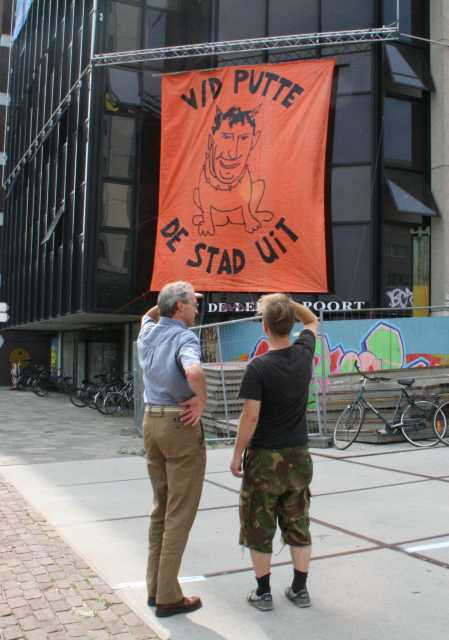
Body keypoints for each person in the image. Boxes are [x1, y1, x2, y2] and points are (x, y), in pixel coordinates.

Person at [230, 294, 318, 611]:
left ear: (264, 327)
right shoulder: (304, 354)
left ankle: (263, 593)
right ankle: (299, 589)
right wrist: (286, 303)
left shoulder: (258, 367)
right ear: (289, 324)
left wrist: (237, 452)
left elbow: (250, 416)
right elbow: (311, 320)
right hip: (299, 454)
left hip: (265, 458)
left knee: (259, 524)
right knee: (298, 522)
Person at [137, 281, 207, 618]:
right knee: (180, 512)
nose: (197, 308)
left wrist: (167, 300)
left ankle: (154, 588)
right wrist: (201, 401)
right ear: (179, 308)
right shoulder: (184, 337)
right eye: (193, 303)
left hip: (151, 423)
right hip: (179, 425)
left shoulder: (148, 331)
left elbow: (147, 315)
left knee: (160, 509)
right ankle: (167, 596)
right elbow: (193, 369)